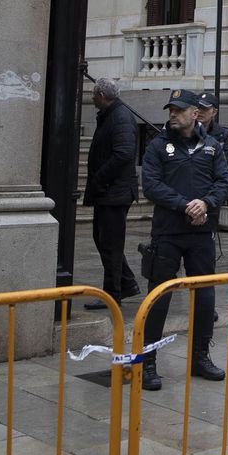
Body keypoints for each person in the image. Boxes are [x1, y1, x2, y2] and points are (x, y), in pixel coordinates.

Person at [137, 89, 228, 392]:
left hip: (201, 234)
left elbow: (224, 183)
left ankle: (200, 357)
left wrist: (204, 204)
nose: (173, 115)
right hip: (168, 232)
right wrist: (184, 205)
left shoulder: (212, 146)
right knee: (159, 297)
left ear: (195, 113)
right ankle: (147, 361)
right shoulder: (157, 145)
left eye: (179, 110)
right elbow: (151, 185)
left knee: (204, 298)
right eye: (171, 110)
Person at [83, 78, 141, 309]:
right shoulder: (111, 115)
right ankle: (125, 284)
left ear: (102, 96)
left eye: (94, 95)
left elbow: (124, 153)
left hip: (114, 193)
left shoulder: (120, 117)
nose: (91, 98)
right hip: (109, 192)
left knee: (111, 244)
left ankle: (113, 293)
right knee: (103, 240)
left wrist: (99, 178)